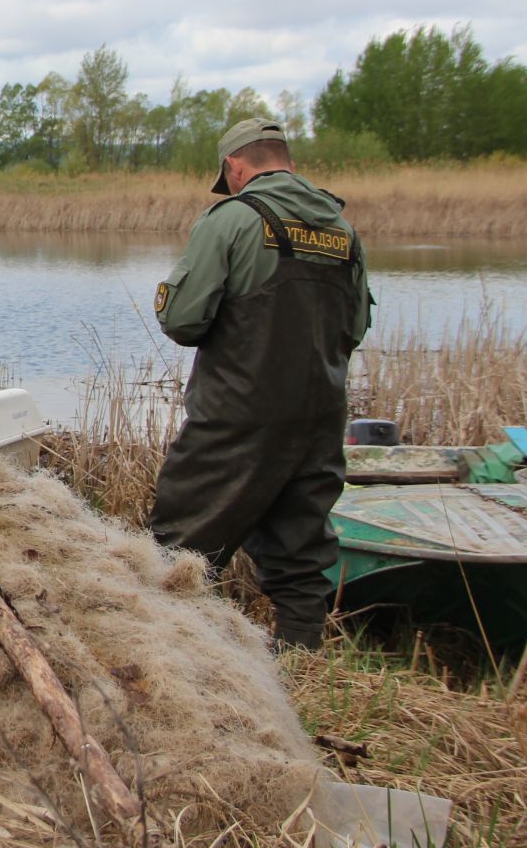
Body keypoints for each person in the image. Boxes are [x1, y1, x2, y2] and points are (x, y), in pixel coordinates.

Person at [149, 119, 372, 650]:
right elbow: (356, 328)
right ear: (287, 162)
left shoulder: (233, 219)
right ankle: (299, 654)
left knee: (176, 546)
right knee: (300, 548)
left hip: (237, 413)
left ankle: (167, 657)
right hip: (319, 415)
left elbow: (181, 320)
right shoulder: (342, 231)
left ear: (234, 167)